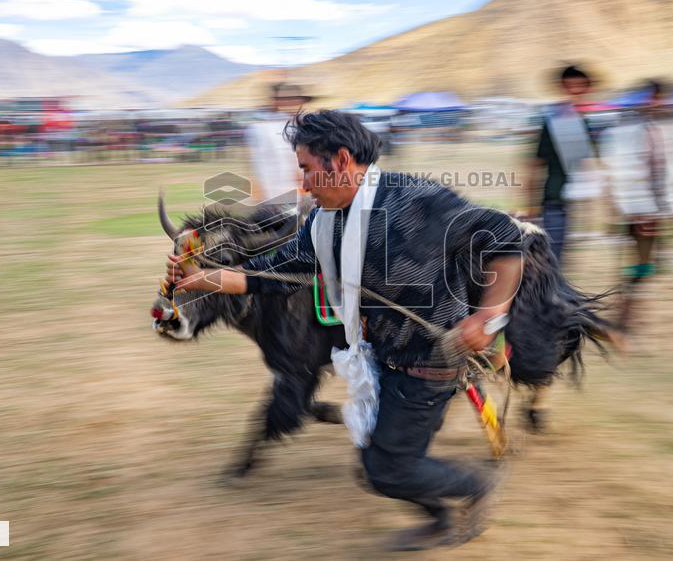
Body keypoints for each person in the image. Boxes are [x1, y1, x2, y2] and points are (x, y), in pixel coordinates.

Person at [167, 110, 523, 550]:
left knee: (387, 468)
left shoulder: (419, 201)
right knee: (380, 463)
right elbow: (266, 273)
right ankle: (440, 512)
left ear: (338, 161)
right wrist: (202, 277)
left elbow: (507, 241)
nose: (303, 183)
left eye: (306, 169)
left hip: (431, 360)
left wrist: (489, 318)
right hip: (382, 359)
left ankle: (475, 487)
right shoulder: (323, 223)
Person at [602, 79, 673, 334]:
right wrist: (625, 209)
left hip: (663, 210)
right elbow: (616, 171)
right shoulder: (626, 131)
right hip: (638, 210)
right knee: (641, 263)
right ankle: (629, 315)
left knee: (654, 265)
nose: (657, 103)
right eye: (652, 98)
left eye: (661, 98)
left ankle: (627, 303)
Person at [522, 64, 601, 263]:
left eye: (581, 86)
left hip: (574, 200)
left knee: (560, 260)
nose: (576, 91)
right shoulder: (552, 122)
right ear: (563, 87)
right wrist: (530, 206)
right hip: (554, 200)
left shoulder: (586, 122)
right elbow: (534, 164)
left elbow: (588, 165)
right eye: (571, 86)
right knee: (551, 261)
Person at [244, 82, 311, 207]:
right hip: (275, 196)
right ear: (277, 102)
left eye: (297, 100)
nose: (295, 104)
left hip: (298, 195)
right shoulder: (261, 129)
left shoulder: (300, 127)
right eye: (289, 100)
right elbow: (256, 165)